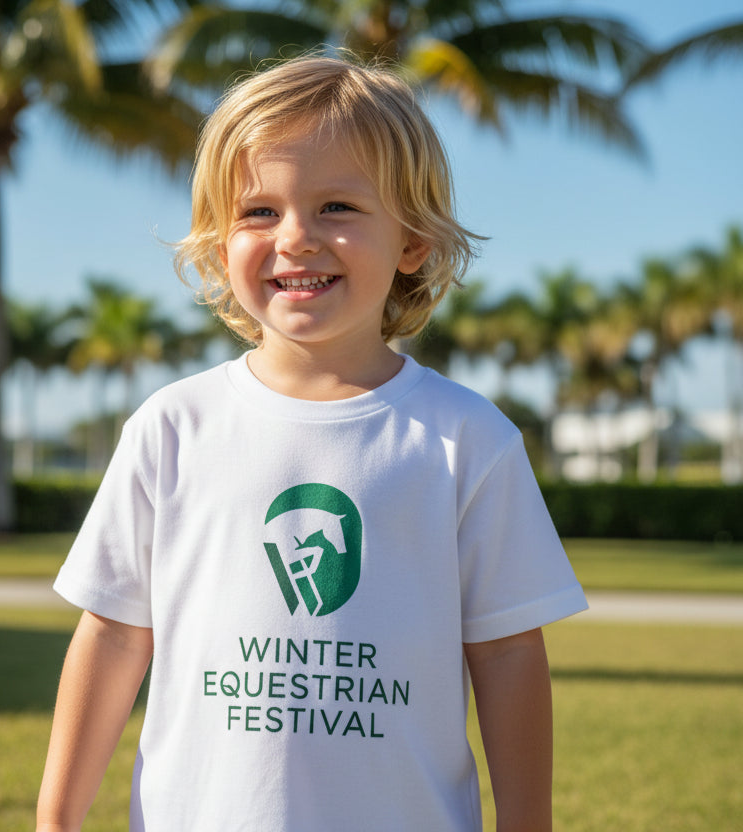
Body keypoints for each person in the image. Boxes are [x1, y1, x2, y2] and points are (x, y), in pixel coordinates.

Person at [37, 53, 588, 832]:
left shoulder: (467, 440)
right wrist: (55, 819)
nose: (296, 238)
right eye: (259, 211)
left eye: (337, 207)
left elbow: (506, 654)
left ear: (413, 240)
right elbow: (114, 632)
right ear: (219, 244)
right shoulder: (172, 427)